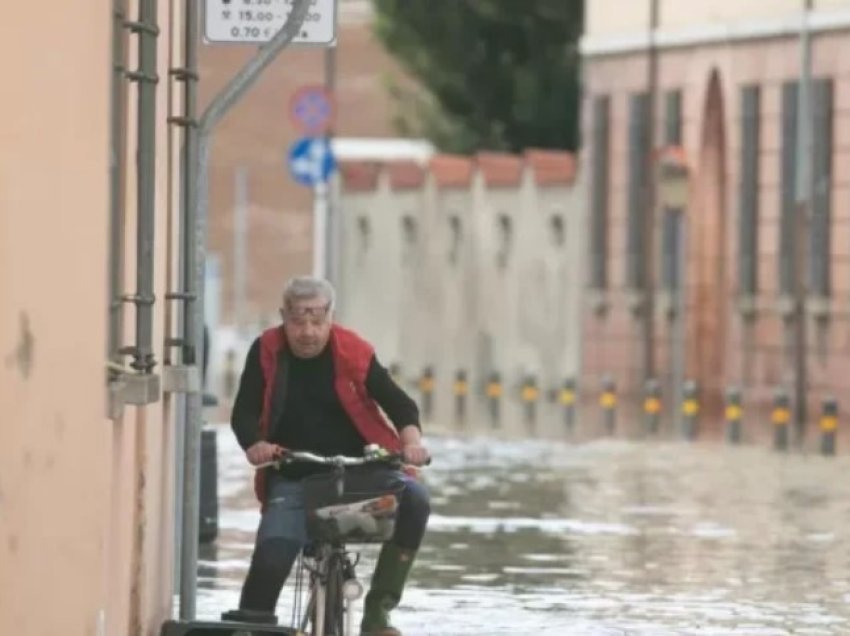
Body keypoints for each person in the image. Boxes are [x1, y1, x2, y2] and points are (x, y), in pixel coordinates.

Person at [228, 276, 431, 636]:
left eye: (317, 321)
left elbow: (400, 404)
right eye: (298, 321)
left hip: (360, 473)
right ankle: (253, 625)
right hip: (293, 475)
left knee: (414, 500)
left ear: (330, 318)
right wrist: (254, 444)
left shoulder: (353, 349)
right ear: (283, 318)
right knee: (270, 558)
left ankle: (377, 614)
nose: (308, 332)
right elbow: (243, 412)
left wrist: (412, 442)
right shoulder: (266, 350)